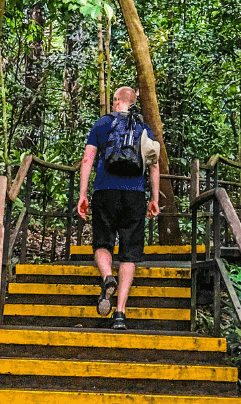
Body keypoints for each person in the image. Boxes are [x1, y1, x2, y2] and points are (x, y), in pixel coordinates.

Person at [76, 85, 161, 330]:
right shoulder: (144, 128)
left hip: (105, 191)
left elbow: (87, 159)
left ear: (116, 101)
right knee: (129, 254)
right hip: (134, 195)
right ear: (133, 103)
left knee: (102, 243)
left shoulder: (102, 124)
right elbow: (154, 166)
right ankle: (120, 313)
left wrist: (83, 194)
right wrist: (154, 198)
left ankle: (107, 277)